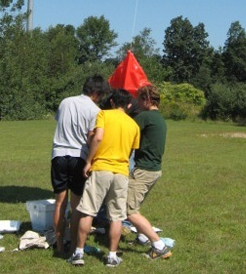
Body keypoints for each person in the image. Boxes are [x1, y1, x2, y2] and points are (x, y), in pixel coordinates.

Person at [68, 89, 140, 267]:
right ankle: (112, 256)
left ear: (113, 102)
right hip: (121, 172)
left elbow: (98, 137)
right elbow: (131, 152)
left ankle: (78, 253)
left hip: (101, 168)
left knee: (88, 211)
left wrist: (88, 161)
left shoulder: (103, 114)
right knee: (116, 216)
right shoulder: (134, 125)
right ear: (129, 105)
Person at [51, 75, 110, 255]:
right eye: (100, 95)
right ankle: (74, 244)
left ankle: (59, 245)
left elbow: (60, 122)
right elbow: (91, 137)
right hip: (78, 157)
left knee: (60, 202)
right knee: (76, 203)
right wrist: (90, 159)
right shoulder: (95, 110)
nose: (100, 99)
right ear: (95, 93)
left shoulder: (65, 102)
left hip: (58, 154)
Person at [126, 84, 171, 260]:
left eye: (139, 99)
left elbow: (127, 131)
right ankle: (143, 237)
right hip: (154, 170)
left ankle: (159, 246)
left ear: (148, 100)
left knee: (129, 212)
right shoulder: (159, 118)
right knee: (135, 206)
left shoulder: (145, 117)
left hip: (144, 171)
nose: (137, 102)